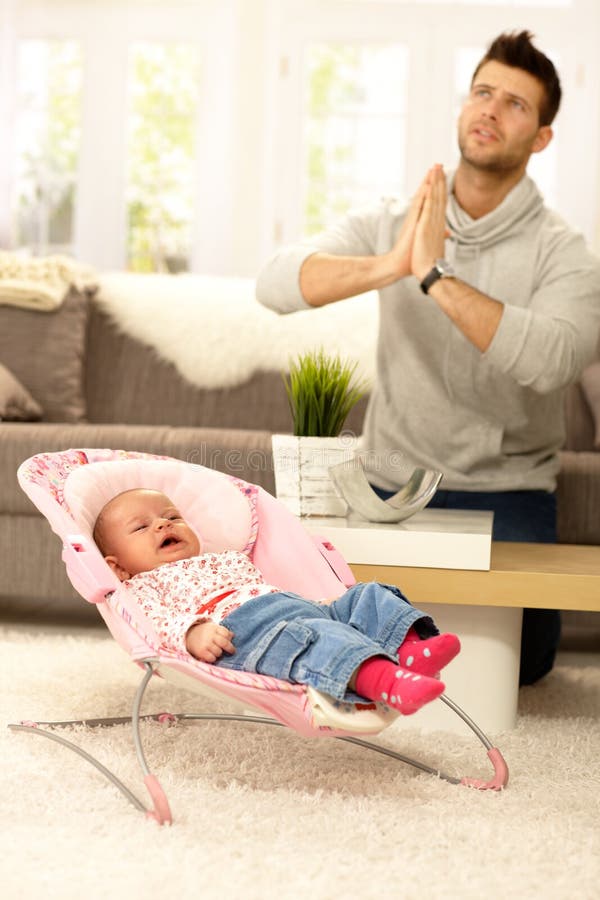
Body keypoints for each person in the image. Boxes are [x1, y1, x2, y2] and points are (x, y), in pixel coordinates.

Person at [255, 30, 600, 686]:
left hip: (508, 491)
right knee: (332, 632)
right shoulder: (394, 220)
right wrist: (394, 262)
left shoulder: (565, 252)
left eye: (516, 105)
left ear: (543, 137)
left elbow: (554, 359)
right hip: (391, 487)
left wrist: (435, 277)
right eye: (482, 93)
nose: (491, 111)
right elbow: (274, 283)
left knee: (520, 663)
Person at [93, 488, 461, 715]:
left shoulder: (225, 557)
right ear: (117, 566)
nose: (163, 525)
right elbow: (152, 622)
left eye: (172, 517)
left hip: (298, 608)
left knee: (368, 594)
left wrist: (325, 606)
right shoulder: (142, 584)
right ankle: (389, 683)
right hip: (242, 633)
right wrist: (192, 634)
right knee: (315, 640)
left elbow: (268, 588)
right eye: (141, 527)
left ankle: (411, 649)